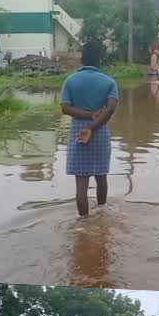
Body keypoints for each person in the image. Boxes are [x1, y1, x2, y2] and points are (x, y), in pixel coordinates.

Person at [60, 41, 119, 218]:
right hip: (100, 132)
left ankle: (84, 223)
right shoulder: (109, 82)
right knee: (101, 177)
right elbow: (109, 110)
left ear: (82, 58)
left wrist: (87, 120)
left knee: (81, 184)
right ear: (100, 59)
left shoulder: (70, 80)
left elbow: (65, 108)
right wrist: (93, 124)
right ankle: (101, 215)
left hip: (79, 132)